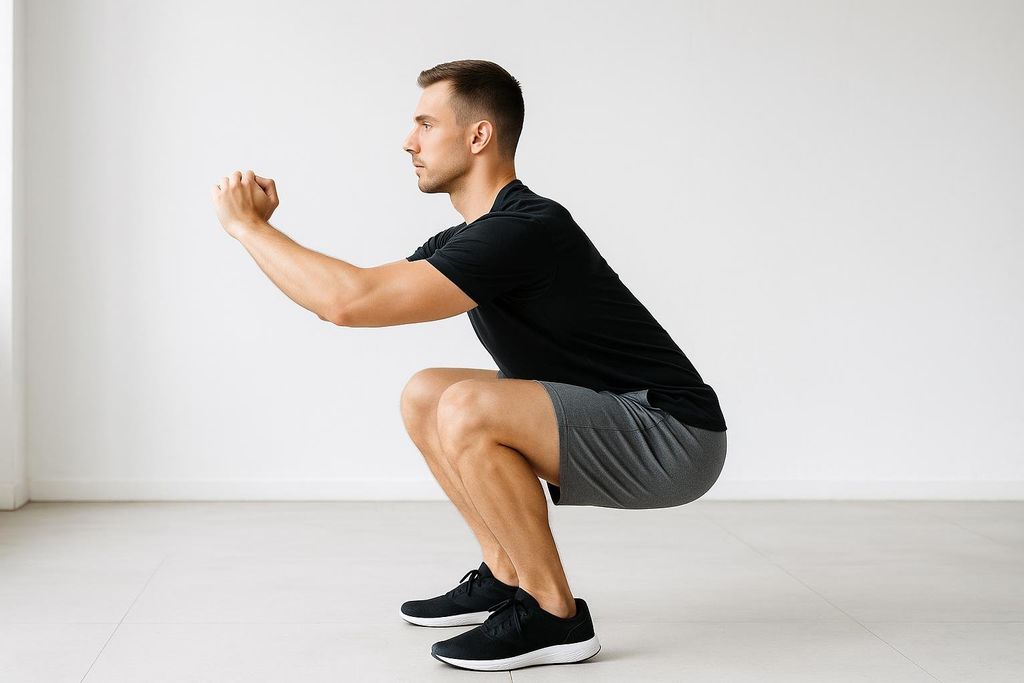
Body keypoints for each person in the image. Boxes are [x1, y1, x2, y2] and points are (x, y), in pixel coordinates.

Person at [210, 58, 727, 673]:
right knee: (428, 392)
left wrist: (246, 229)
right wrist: (265, 231)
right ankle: (506, 575)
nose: (409, 141)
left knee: (467, 407)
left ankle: (554, 615)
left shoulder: (526, 228)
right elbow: (348, 294)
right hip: (620, 413)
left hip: (672, 434)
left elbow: (348, 303)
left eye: (426, 123)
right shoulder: (476, 236)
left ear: (478, 136)